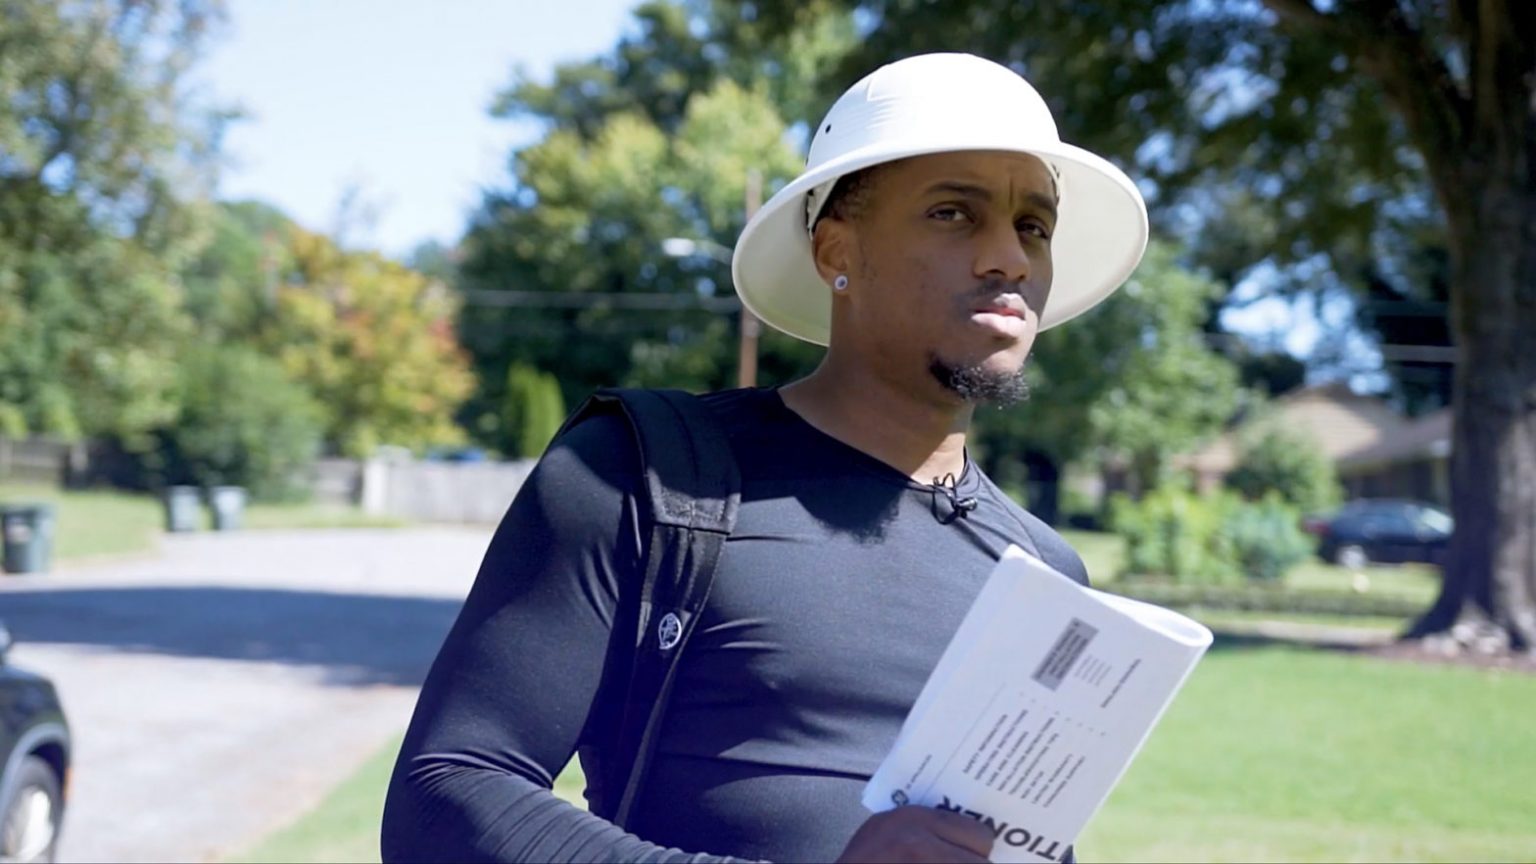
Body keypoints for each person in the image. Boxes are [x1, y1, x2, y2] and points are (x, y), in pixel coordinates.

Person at [382, 52, 1148, 864]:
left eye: (1033, 226)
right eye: (953, 213)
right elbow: (444, 798)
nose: (1010, 258)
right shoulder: (645, 475)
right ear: (835, 252)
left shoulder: (1046, 574)